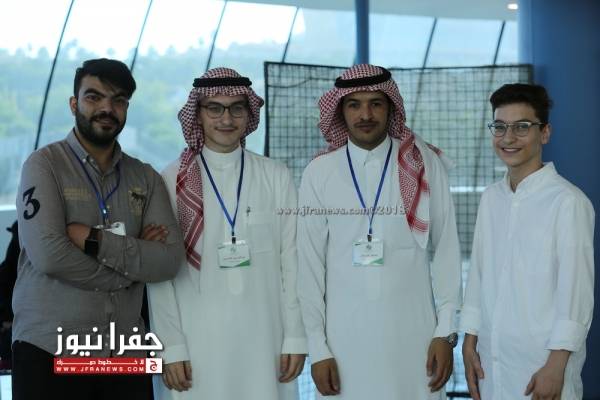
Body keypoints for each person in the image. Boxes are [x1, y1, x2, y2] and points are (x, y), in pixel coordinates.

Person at [13, 58, 184, 400]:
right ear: (73, 104)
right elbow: (49, 255)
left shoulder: (145, 177)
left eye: (118, 100)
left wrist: (93, 241)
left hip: (125, 353)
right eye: (94, 97)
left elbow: (168, 261)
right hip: (51, 349)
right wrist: (132, 270)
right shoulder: (44, 165)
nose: (107, 108)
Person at [296, 64, 462, 399]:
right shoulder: (319, 172)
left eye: (376, 103)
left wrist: (445, 332)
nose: (365, 114)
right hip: (343, 342)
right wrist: (318, 347)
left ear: (391, 108)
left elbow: (447, 249)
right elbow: (309, 266)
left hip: (415, 336)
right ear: (340, 110)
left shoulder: (422, 163)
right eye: (354, 104)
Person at [147, 67, 307, 400]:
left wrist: (295, 336)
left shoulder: (275, 175)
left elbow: (293, 262)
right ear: (198, 115)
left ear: (249, 114)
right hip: (196, 344)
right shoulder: (171, 180)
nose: (226, 118)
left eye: (236, 108)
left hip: (267, 339)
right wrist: (171, 346)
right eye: (214, 108)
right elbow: (160, 274)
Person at [460, 83, 595, 400]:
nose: (508, 138)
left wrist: (556, 365)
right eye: (500, 127)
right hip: (491, 362)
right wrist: (469, 342)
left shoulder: (568, 202)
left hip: (541, 367)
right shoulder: (491, 198)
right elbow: (478, 275)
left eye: (522, 127)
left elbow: (576, 293)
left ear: (544, 133)